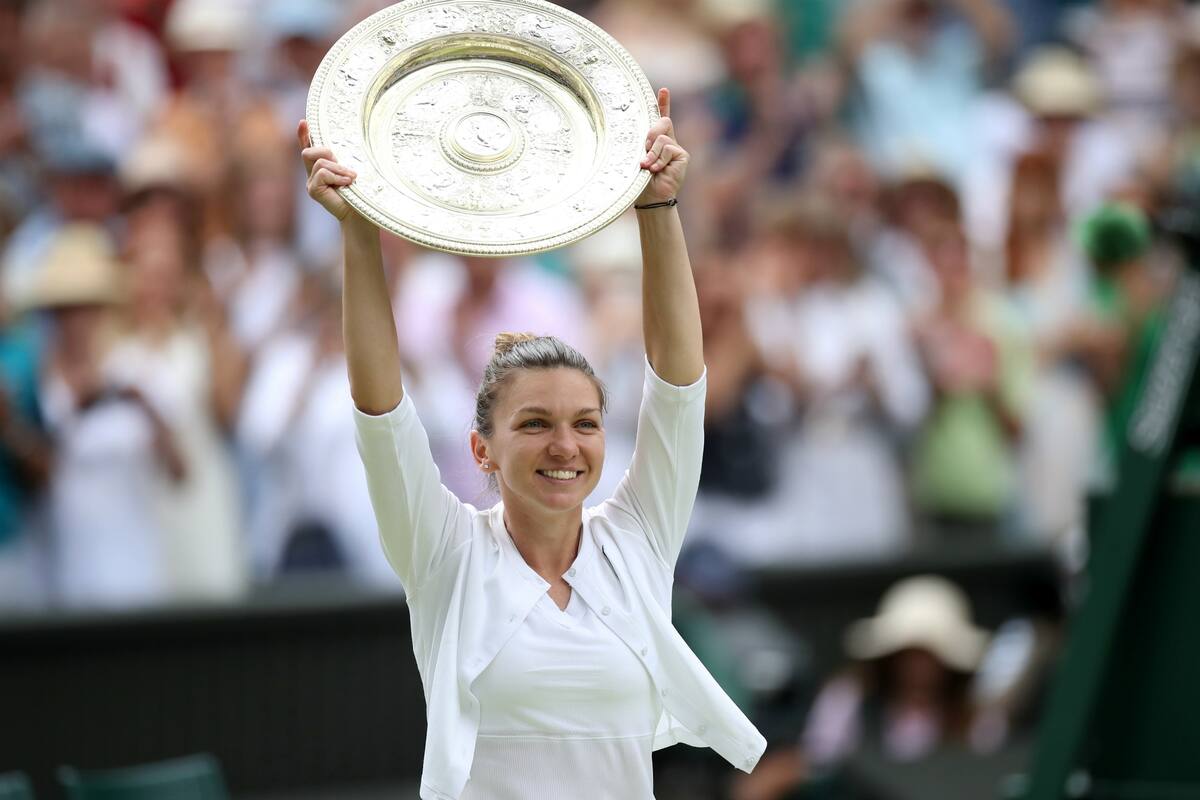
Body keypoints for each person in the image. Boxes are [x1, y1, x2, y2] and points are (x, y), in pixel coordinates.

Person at [298, 88, 765, 800]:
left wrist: (659, 208)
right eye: (535, 424)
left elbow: (677, 387)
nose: (565, 446)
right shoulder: (446, 554)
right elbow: (380, 408)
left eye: (585, 423)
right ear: (481, 450)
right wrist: (359, 232)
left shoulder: (636, 543)